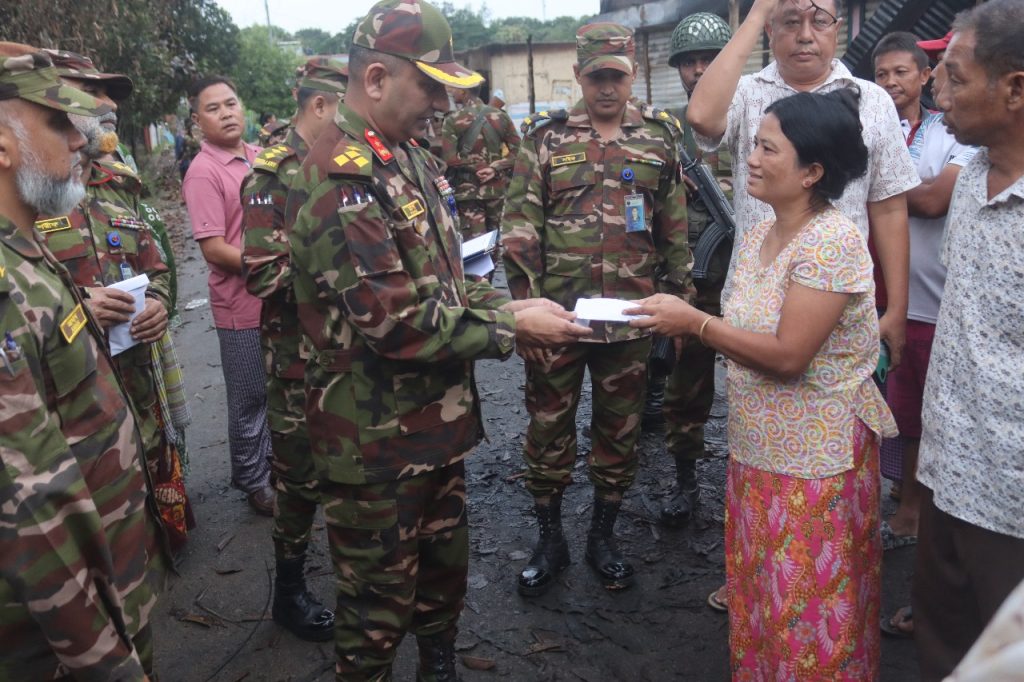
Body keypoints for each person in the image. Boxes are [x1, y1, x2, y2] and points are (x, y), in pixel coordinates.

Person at [287, 2, 592, 679]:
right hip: (373, 450)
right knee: (375, 615)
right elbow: (394, 321)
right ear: (374, 79)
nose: (443, 104)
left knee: (440, 589)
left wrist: (516, 303)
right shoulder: (341, 180)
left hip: (435, 433)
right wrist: (513, 326)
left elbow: (451, 279)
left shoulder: (411, 159)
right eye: (430, 87)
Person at [629, 88, 894, 679]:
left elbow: (788, 356)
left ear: (812, 173)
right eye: (754, 144)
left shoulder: (831, 241)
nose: (749, 158)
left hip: (815, 461)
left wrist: (694, 323)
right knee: (766, 599)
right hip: (759, 450)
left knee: (812, 612)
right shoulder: (757, 234)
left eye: (768, 148)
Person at [502, 22, 693, 596]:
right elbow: (518, 232)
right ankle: (549, 538)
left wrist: (678, 304)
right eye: (596, 76)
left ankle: (602, 536)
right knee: (548, 429)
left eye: (617, 75)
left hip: (630, 320)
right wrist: (523, 312)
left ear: (631, 75)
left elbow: (675, 230)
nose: (607, 87)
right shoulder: (546, 139)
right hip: (558, 321)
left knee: (620, 430)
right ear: (581, 76)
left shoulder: (659, 139)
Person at [0, 43, 165, 680]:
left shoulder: (26, 249)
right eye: (61, 123)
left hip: (108, 588)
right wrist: (105, 662)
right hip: (63, 634)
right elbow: (27, 508)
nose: (83, 141)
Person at [687, 0, 919, 368]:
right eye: (791, 22)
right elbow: (701, 117)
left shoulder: (873, 101)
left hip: (838, 304)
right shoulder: (746, 93)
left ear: (838, 28)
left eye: (820, 22)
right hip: (754, 303)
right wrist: (758, 10)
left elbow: (889, 207)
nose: (806, 36)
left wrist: (897, 309)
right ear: (770, 31)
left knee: (830, 411)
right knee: (753, 408)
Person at [39, 48, 196, 551]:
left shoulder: (118, 187)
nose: (110, 105)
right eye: (94, 92)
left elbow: (158, 267)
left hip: (136, 382)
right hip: (67, 400)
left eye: (112, 95)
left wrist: (158, 306)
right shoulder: (24, 195)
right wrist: (75, 304)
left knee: (144, 486)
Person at [911, 3, 1024, 678]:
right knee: (943, 651)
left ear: (1015, 89)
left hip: (1012, 499)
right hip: (945, 472)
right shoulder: (970, 181)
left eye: (953, 77)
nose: (938, 94)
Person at [241, 55, 348, 643]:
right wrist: (339, 270)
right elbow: (261, 275)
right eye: (345, 111)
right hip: (294, 363)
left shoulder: (342, 165)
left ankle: (352, 574)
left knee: (347, 467)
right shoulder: (271, 176)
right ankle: (288, 589)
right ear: (319, 105)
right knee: (299, 480)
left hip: (346, 353)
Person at [873, 32, 976, 551]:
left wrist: (880, 188)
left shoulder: (953, 132)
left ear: (923, 76)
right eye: (882, 74)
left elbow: (935, 201)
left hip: (932, 300)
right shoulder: (872, 127)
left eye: (901, 72)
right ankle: (900, 496)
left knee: (919, 411)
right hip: (877, 296)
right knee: (884, 405)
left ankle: (913, 509)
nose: (892, 82)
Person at [651, 10, 734, 528]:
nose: (700, 70)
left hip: (753, 278)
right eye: (690, 62)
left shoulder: (760, 119)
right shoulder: (667, 133)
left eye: (711, 59)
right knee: (685, 386)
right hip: (696, 280)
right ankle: (685, 482)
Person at [183, 76, 275, 514]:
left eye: (231, 103)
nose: (226, 113)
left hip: (275, 297)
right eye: (213, 108)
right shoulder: (203, 172)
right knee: (249, 396)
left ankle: (274, 465)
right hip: (240, 304)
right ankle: (253, 480)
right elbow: (215, 248)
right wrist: (272, 263)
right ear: (198, 121)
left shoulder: (259, 158)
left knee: (278, 387)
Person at [441, 81, 521, 240]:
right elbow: (519, 152)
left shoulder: (452, 120)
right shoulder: (501, 116)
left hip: (467, 193)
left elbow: (450, 160)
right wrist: (494, 168)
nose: (451, 92)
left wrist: (475, 166)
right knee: (494, 241)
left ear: (464, 92)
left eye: (454, 88)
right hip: (496, 191)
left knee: (475, 245)